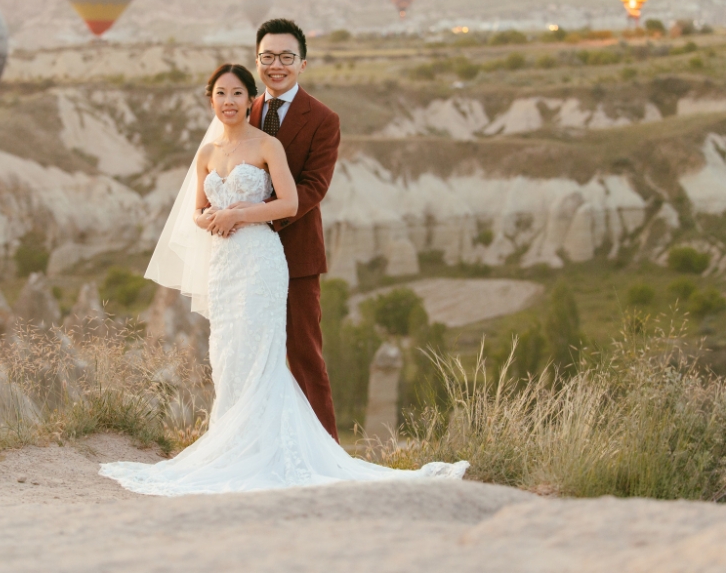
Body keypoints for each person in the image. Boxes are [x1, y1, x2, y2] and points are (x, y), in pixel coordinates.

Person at [99, 52, 468, 496]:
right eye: (221, 94)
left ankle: (272, 452)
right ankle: (230, 445)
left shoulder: (266, 146)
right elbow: (197, 211)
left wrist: (242, 214)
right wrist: (214, 218)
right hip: (224, 264)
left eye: (237, 93)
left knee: (262, 355)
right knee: (227, 355)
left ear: (251, 98)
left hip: (259, 258)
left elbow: (289, 204)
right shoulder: (207, 153)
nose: (229, 101)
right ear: (210, 100)